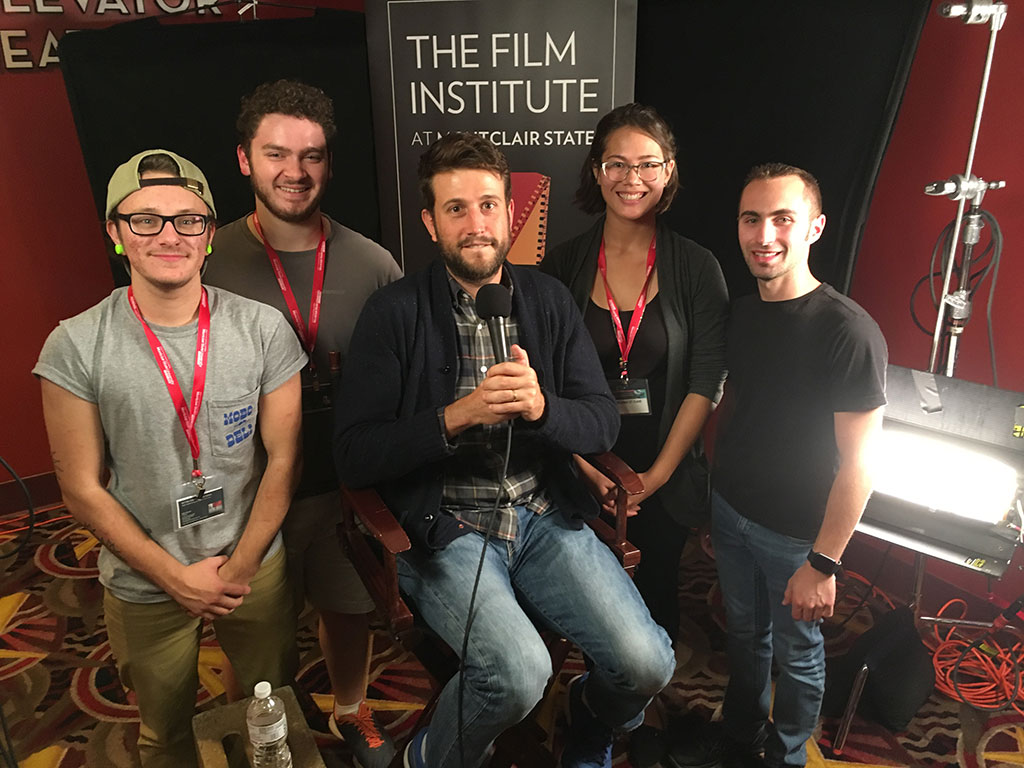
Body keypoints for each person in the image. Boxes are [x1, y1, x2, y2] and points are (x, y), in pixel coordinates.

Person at [334, 132, 675, 768]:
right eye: (456, 208)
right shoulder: (393, 313)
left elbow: (601, 423)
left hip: (546, 516)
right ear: (430, 222)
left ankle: (590, 713)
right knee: (518, 674)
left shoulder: (546, 301)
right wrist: (453, 418)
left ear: (509, 213)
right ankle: (426, 760)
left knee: (648, 664)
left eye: (488, 205)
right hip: (448, 528)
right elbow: (354, 454)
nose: (476, 223)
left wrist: (544, 409)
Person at [34, 149, 306, 768]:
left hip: (252, 563)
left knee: (273, 713)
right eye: (145, 220)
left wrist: (238, 568)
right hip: (144, 577)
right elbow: (79, 487)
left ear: (209, 234)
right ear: (115, 233)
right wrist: (174, 576)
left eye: (188, 220)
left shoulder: (262, 330)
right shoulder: (75, 344)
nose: (168, 236)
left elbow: (284, 459)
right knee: (164, 735)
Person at [203, 79, 402, 766]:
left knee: (349, 607)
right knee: (256, 633)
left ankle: (350, 708)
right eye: (276, 154)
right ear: (243, 160)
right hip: (247, 495)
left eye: (311, 155)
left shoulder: (374, 264)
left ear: (328, 163)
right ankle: (254, 725)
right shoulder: (205, 260)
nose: (294, 172)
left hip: (345, 486)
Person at [682, 163, 886, 768]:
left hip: (798, 536)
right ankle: (742, 733)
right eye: (752, 219)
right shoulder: (740, 314)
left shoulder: (847, 332)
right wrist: (715, 511)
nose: (764, 234)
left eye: (782, 219)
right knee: (744, 638)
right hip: (733, 513)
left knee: (798, 654)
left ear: (814, 228)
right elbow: (742, 418)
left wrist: (823, 562)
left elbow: (861, 463)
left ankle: (787, 755)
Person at [542, 103, 728, 645]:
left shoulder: (697, 267)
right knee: (582, 605)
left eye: (648, 164)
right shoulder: (562, 265)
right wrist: (581, 468)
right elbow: (545, 387)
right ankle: (591, 703)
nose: (632, 179)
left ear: (668, 172)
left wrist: (657, 477)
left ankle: (639, 716)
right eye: (617, 164)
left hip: (662, 472)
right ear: (596, 171)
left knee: (657, 601)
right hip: (580, 469)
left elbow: (707, 378)